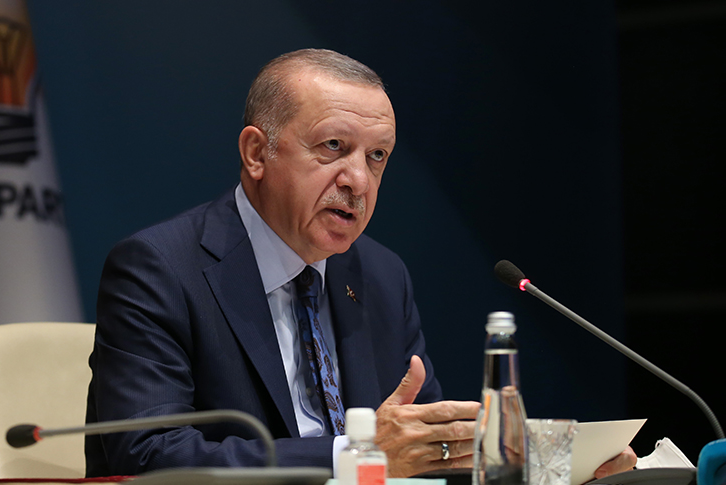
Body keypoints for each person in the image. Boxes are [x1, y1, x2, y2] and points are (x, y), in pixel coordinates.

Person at [84, 48, 637, 478]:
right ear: (257, 153)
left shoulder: (380, 275)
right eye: (332, 147)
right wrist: (354, 453)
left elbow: (428, 446)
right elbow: (147, 454)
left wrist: (560, 469)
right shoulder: (159, 268)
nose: (358, 181)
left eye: (376, 157)